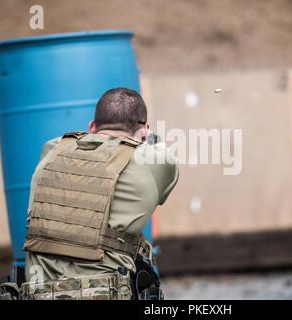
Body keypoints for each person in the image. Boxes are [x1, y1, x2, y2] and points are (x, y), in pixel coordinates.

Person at [20, 87, 178, 300]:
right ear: (143, 131)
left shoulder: (51, 151)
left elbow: (77, 144)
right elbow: (162, 155)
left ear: (92, 126)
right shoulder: (154, 162)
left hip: (38, 293)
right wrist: (150, 138)